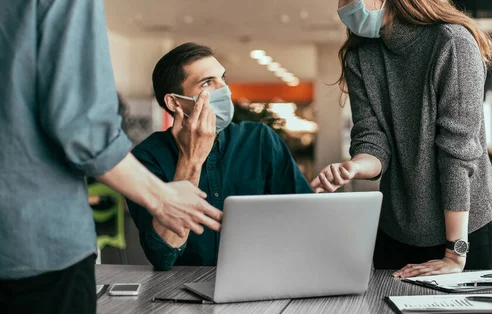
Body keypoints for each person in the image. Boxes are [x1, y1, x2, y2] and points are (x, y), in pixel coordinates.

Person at [0, 1, 222, 313]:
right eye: (208, 83)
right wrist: (162, 197)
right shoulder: (151, 155)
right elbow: (82, 126)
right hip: (36, 248)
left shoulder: (259, 140)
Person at [312, 0, 492, 278]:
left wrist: (454, 253)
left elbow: (457, 154)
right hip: (397, 232)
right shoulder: (360, 55)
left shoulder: (452, 42)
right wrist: (354, 167)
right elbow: (371, 138)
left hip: (465, 234)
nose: (343, 5)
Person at [126, 43, 312, 270]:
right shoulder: (145, 159)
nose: (224, 89)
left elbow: (306, 219)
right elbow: (162, 256)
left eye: (223, 78)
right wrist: (191, 161)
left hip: (262, 277)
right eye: (208, 83)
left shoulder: (260, 139)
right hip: (182, 291)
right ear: (174, 102)